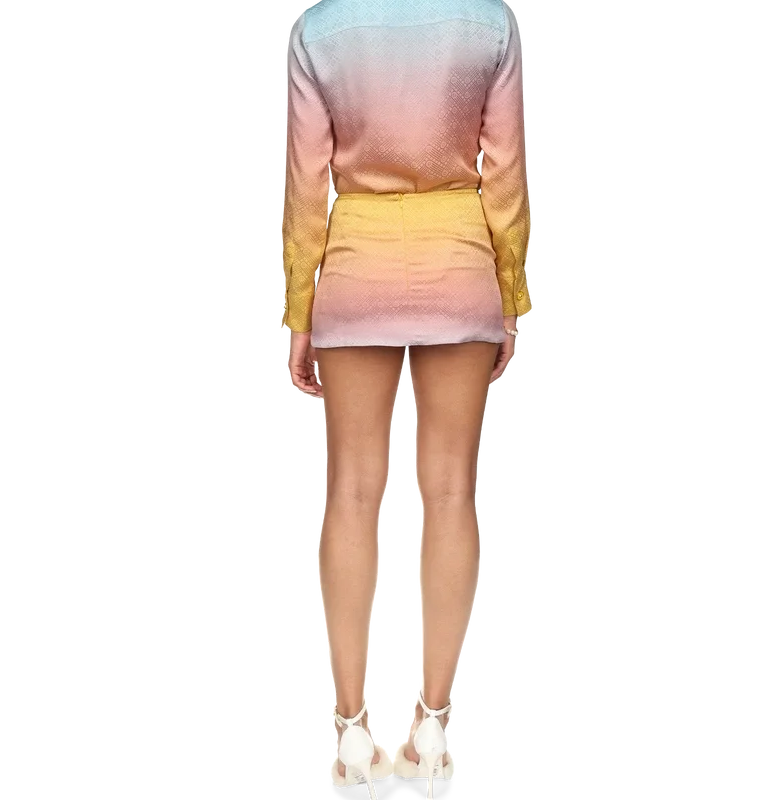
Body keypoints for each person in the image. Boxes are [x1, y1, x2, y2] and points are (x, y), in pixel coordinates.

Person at [280, 2, 533, 798]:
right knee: (452, 489)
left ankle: (352, 731)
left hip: (354, 269)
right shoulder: (491, 21)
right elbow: (506, 171)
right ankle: (432, 725)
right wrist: (510, 297)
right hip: (460, 262)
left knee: (351, 490)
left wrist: (298, 314)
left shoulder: (317, 28)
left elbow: (307, 182)